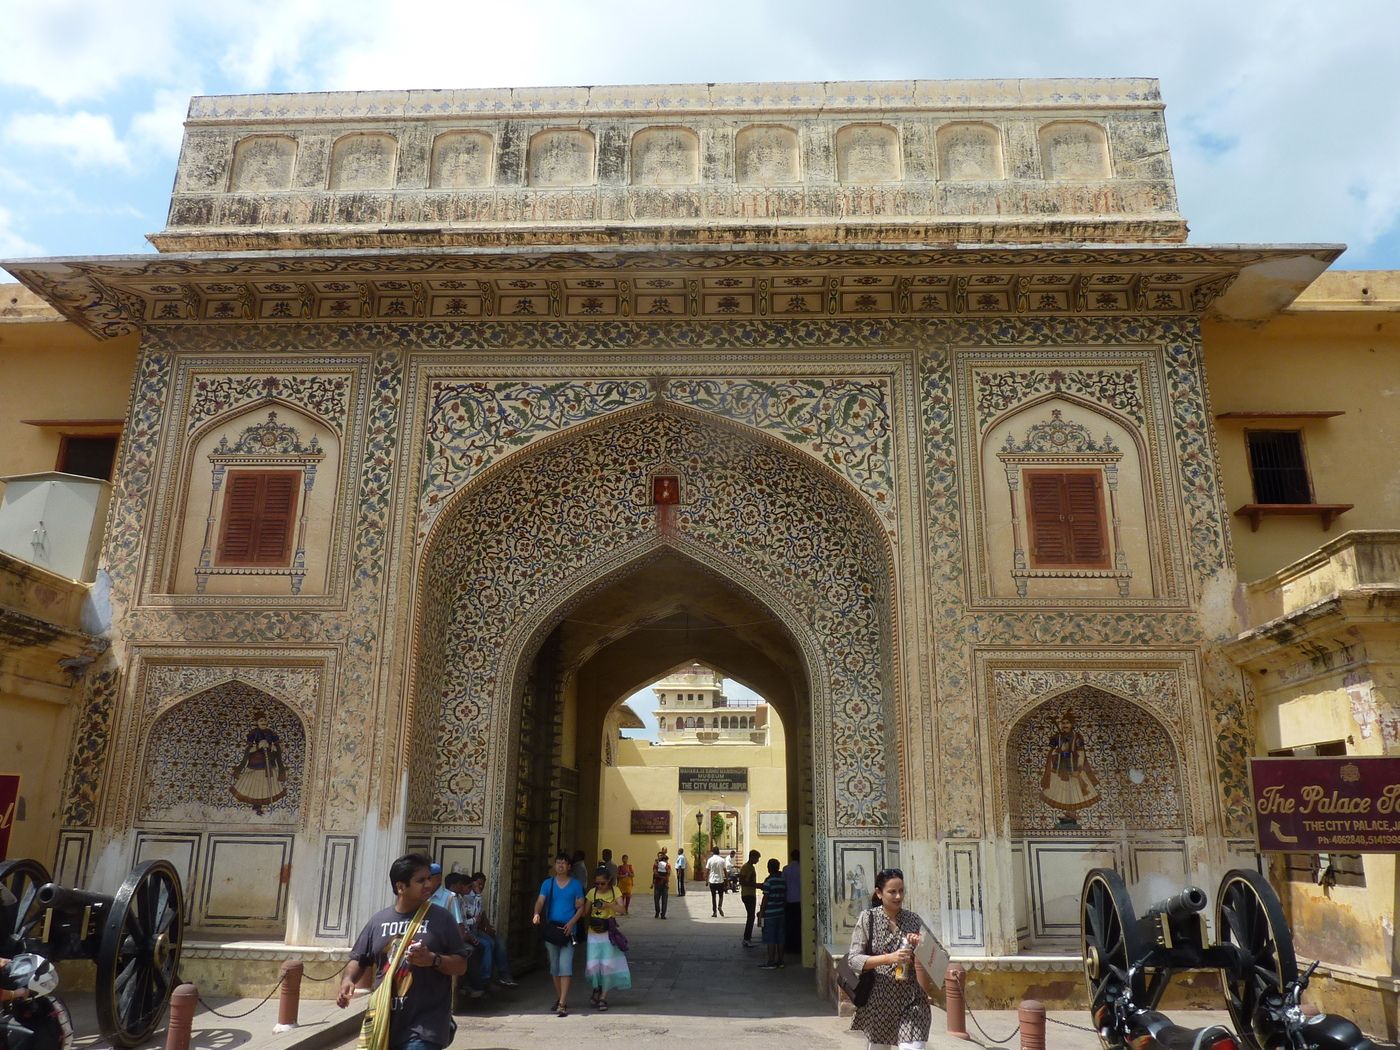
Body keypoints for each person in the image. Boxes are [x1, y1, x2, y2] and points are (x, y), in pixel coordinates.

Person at [337, 852, 469, 1050]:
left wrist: (433, 959)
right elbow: (359, 958)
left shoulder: (441, 919)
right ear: (400, 887)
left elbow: (461, 965)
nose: (428, 885)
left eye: (429, 879)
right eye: (420, 880)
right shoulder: (378, 922)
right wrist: (348, 981)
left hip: (425, 1025)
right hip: (384, 1019)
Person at [846, 867, 937, 1050]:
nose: (898, 897)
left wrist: (922, 944)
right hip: (879, 1003)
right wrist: (889, 958)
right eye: (892, 892)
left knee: (914, 1048)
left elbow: (938, 960)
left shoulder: (913, 919)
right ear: (879, 893)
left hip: (911, 1001)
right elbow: (854, 959)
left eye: (901, 891)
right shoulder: (868, 918)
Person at [533, 852, 586, 1018]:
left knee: (566, 966)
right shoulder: (548, 883)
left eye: (564, 863)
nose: (560, 865)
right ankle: (560, 997)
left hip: (569, 931)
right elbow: (541, 900)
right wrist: (536, 913)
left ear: (569, 866)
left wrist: (572, 923)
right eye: (558, 863)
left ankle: (562, 1003)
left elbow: (581, 907)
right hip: (553, 930)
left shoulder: (576, 885)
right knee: (554, 967)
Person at [583, 864, 631, 1010]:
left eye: (602, 883)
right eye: (597, 883)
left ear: (609, 881)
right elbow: (585, 912)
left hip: (608, 933)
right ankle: (596, 987)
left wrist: (608, 905)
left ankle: (603, 996)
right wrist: (580, 904)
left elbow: (622, 910)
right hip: (593, 932)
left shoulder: (615, 891)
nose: (600, 886)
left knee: (607, 965)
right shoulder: (592, 892)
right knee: (592, 966)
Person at [469, 871, 518, 987]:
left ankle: (504, 976)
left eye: (483, 884)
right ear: (473, 883)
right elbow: (474, 917)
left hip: (479, 929)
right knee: (490, 943)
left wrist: (488, 927)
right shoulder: (468, 896)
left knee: (500, 942)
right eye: (479, 884)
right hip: (472, 930)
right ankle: (487, 978)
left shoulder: (478, 896)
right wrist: (485, 928)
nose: (481, 887)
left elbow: (482, 915)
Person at [443, 873, 486, 1002]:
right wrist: (469, 937)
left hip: (462, 934)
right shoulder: (452, 898)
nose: (463, 887)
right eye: (461, 884)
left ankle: (472, 984)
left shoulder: (458, 898)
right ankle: (475, 986)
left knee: (480, 947)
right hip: (452, 938)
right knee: (472, 951)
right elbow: (460, 924)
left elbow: (472, 917)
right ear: (455, 885)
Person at [759, 858, 787, 969]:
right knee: (780, 938)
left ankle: (771, 962)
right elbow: (785, 897)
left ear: (769, 868)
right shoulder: (782, 881)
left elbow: (765, 898)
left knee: (770, 938)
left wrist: (761, 912)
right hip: (781, 913)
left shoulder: (769, 882)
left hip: (770, 914)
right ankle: (780, 961)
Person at [738, 849, 760, 947]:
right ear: (752, 857)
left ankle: (748, 938)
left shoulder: (751, 867)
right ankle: (746, 939)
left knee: (751, 916)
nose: (758, 860)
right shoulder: (746, 867)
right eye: (757, 858)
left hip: (751, 894)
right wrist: (755, 885)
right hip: (748, 894)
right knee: (751, 916)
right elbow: (742, 881)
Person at [783, 848, 802, 954]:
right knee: (798, 924)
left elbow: (783, 885)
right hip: (800, 900)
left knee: (790, 924)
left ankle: (789, 945)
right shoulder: (802, 868)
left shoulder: (786, 869)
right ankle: (798, 946)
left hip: (789, 899)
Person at [705, 846, 728, 917]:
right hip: (720, 880)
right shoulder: (722, 860)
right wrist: (727, 879)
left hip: (712, 881)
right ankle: (720, 906)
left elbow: (707, 871)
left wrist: (706, 880)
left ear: (712, 852)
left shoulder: (710, 860)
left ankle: (714, 912)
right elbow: (725, 871)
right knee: (721, 895)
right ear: (719, 852)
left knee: (713, 896)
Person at [651, 850, 670, 918]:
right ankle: (657, 911)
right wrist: (662, 878)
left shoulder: (667, 865)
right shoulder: (655, 865)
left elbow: (668, 873)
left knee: (664, 900)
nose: (660, 857)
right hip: (658, 884)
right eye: (659, 856)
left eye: (661, 856)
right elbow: (655, 873)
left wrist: (664, 879)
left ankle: (663, 914)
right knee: (656, 899)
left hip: (664, 885)